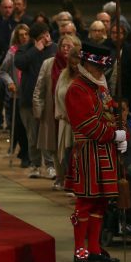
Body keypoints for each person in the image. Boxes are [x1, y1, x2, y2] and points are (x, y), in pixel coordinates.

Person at [65, 42, 125, 262]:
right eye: (97, 68)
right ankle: (79, 248)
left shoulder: (99, 88)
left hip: (105, 152)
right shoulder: (77, 89)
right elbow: (88, 125)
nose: (101, 72)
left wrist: (123, 134)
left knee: (100, 202)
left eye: (102, 69)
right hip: (88, 151)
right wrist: (114, 134)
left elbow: (111, 112)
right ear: (86, 65)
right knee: (85, 202)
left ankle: (94, 248)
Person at [34, 33, 81, 190]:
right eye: (63, 46)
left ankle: (69, 178)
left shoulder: (81, 66)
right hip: (52, 111)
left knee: (68, 147)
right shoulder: (49, 63)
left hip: (72, 116)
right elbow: (39, 88)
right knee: (54, 146)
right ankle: (60, 177)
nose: (66, 49)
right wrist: (38, 111)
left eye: (70, 46)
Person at [15, 22, 57, 179]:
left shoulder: (55, 49)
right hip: (28, 100)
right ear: (35, 39)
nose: (47, 39)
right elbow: (19, 63)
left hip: (49, 99)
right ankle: (35, 164)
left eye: (48, 34)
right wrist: (35, 50)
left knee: (47, 134)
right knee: (32, 135)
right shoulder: (26, 49)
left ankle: (51, 165)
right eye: (42, 37)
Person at [0, 23, 31, 167]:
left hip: (29, 94)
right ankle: (24, 153)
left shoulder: (33, 50)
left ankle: (26, 153)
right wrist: (10, 82)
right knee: (18, 125)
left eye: (26, 34)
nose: (24, 37)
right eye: (21, 35)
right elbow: (3, 70)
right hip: (16, 94)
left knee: (28, 126)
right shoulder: (12, 52)